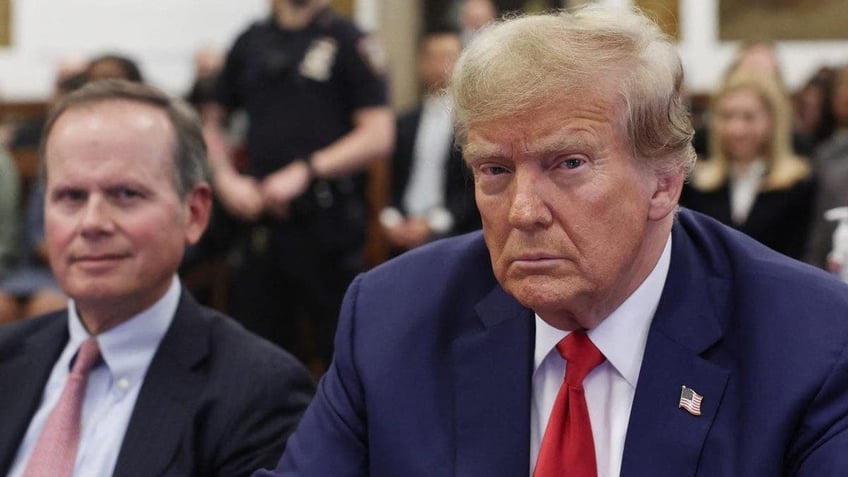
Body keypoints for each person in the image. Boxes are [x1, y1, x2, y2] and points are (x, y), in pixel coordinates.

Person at [257, 6, 848, 476]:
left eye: (567, 163)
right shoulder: (393, 319)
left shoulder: (808, 339)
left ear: (664, 184)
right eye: (494, 170)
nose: (523, 211)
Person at [0, 79, 315, 476]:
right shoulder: (7, 361)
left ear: (195, 214)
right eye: (71, 197)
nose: (92, 223)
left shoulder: (257, 393)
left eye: (126, 194)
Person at [209, 0, 393, 366]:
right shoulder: (251, 41)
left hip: (327, 221)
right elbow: (211, 123)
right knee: (257, 351)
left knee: (339, 352)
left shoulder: (348, 39)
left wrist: (306, 170)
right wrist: (225, 179)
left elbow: (378, 134)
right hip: (259, 220)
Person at [681, 71, 817, 260]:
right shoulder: (697, 183)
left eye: (748, 117)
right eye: (727, 116)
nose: (736, 129)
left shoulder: (798, 183)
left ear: (772, 121)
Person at [380, 27, 479, 255]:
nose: (440, 66)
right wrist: (392, 219)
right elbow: (391, 181)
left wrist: (431, 224)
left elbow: (472, 185)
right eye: (433, 57)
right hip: (401, 227)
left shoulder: (472, 123)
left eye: (448, 57)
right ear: (422, 62)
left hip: (454, 231)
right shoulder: (405, 122)